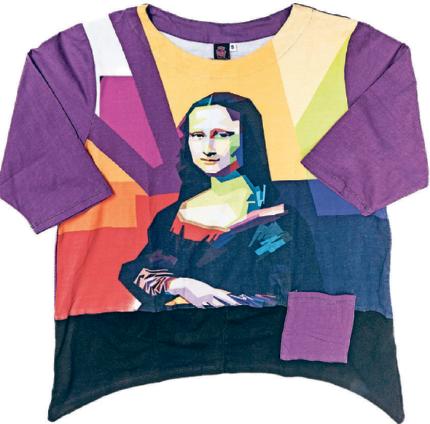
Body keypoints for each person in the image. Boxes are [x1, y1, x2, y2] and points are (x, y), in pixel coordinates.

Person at [118, 92, 323, 312]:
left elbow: (290, 298)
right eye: (197, 135)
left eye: (222, 135)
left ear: (247, 137)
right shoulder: (171, 216)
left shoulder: (276, 221)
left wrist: (212, 297)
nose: (208, 147)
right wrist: (181, 285)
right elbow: (140, 271)